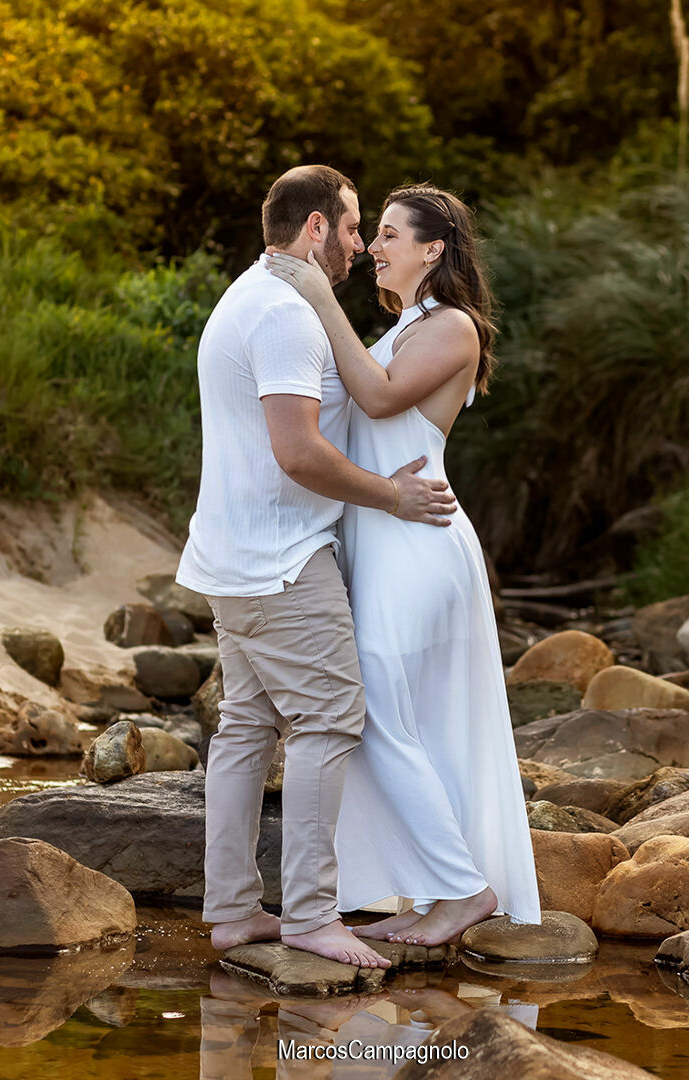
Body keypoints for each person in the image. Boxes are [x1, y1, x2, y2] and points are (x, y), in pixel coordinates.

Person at [176, 165, 457, 969]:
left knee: (245, 728)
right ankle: (307, 914)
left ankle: (232, 911)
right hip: (281, 562)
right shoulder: (283, 318)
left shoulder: (252, 294)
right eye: (351, 226)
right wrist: (389, 499)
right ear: (313, 230)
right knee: (329, 721)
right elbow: (298, 452)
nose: (360, 242)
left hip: (236, 556)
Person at [267, 185, 541, 945]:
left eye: (388, 234)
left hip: (418, 541)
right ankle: (432, 884)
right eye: (373, 233)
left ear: (434, 249)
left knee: (379, 709)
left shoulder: (453, 326)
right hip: (382, 536)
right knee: (406, 717)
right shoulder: (404, 325)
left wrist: (319, 298)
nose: (373, 247)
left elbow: (381, 399)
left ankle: (462, 890)